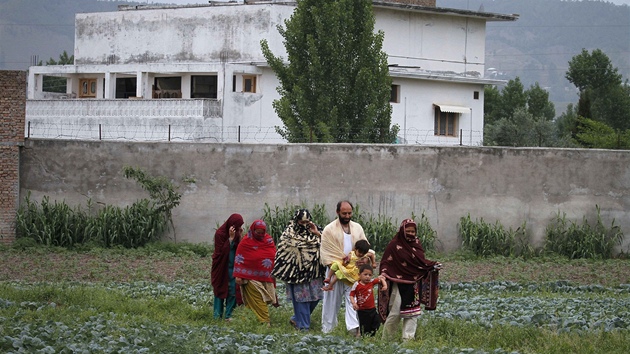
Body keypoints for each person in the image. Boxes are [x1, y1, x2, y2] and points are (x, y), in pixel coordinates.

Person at [378, 218, 442, 341]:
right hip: (398, 283)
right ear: (402, 230)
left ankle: (408, 340)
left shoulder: (416, 244)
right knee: (395, 313)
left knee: (412, 313)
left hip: (414, 284)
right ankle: (386, 340)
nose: (411, 234)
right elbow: (386, 261)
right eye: (408, 231)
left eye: (413, 231)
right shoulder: (394, 244)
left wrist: (432, 265)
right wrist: (384, 273)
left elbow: (420, 262)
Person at [272, 209, 326, 331]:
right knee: (301, 299)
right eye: (301, 222)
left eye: (306, 222)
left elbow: (328, 245)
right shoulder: (289, 233)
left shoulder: (317, 231)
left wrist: (317, 233)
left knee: (316, 298)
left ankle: (297, 319)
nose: (304, 225)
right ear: (297, 221)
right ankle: (303, 326)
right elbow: (283, 252)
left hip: (315, 272)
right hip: (296, 274)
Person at [319, 200, 367, 336]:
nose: (347, 216)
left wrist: (362, 261)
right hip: (335, 270)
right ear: (337, 212)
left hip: (353, 272)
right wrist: (339, 268)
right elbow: (326, 253)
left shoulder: (357, 228)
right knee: (331, 302)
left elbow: (365, 247)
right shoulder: (329, 230)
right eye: (344, 213)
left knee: (353, 300)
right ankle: (328, 330)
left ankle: (354, 329)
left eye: (349, 213)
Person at [234, 219, 279, 326]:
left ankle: (250, 321)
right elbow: (239, 258)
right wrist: (238, 275)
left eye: (262, 232)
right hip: (249, 277)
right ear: (253, 230)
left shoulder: (268, 241)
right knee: (258, 297)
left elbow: (273, 256)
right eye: (257, 232)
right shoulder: (246, 242)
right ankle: (264, 321)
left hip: (265, 277)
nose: (260, 235)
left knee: (259, 299)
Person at [210, 213, 245, 321]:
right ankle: (217, 316)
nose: (238, 228)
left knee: (232, 291)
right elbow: (220, 252)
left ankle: (229, 315)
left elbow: (239, 249)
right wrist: (230, 239)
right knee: (220, 290)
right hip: (222, 268)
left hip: (233, 268)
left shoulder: (237, 233)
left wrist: (239, 237)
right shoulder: (220, 234)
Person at [350, 264, 388, 337]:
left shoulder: (371, 282)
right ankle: (365, 337)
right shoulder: (357, 285)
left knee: (376, 321)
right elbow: (351, 295)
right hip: (362, 310)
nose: (367, 277)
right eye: (365, 274)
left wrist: (385, 285)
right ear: (359, 275)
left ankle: (372, 334)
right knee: (364, 326)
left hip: (372, 308)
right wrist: (354, 303)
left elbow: (381, 279)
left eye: (370, 275)